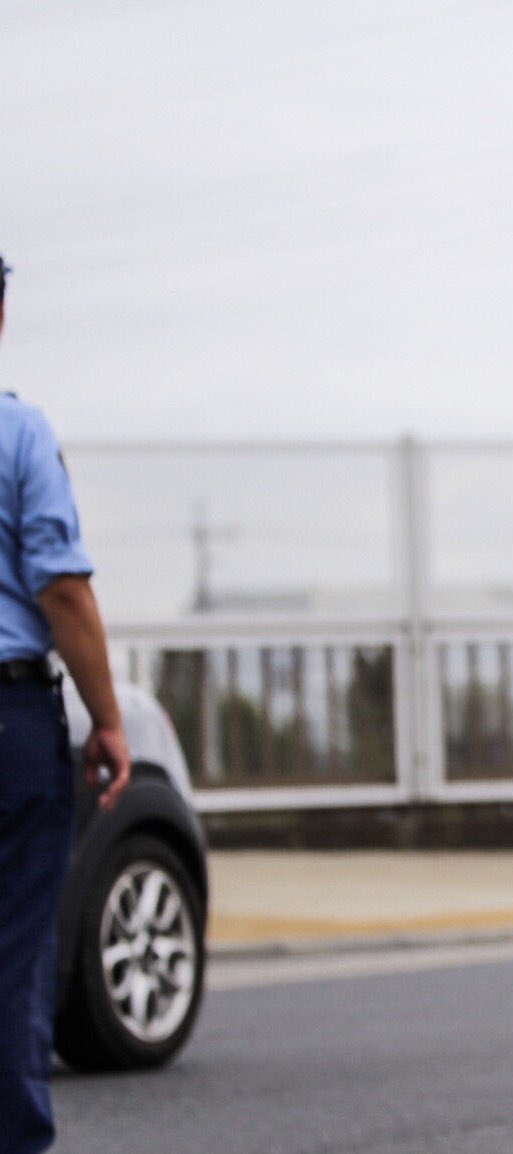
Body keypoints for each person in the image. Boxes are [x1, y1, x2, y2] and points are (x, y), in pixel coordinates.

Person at [0, 252, 131, 1154]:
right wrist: (108, 718)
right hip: (7, 725)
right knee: (11, 956)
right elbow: (63, 589)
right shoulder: (18, 434)